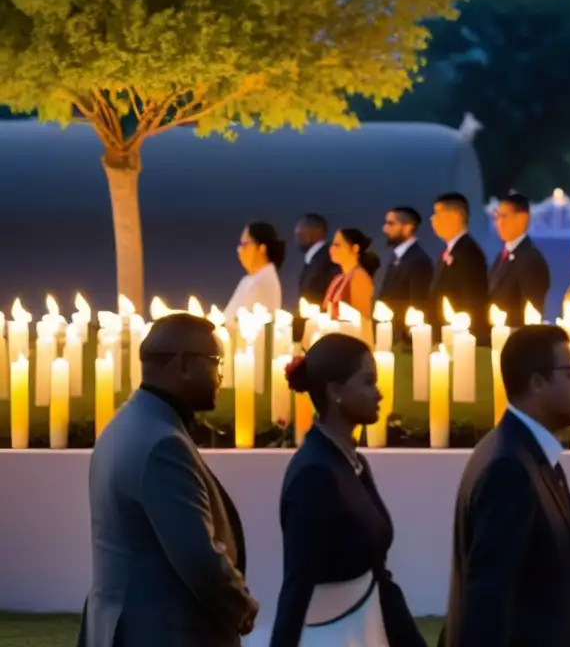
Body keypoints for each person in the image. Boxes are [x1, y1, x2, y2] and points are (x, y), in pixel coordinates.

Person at [439, 325, 570, 647]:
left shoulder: (527, 455)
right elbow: (488, 596)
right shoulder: (508, 468)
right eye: (569, 374)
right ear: (537, 382)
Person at [78, 313, 258, 647]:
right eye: (216, 362)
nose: (221, 375)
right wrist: (240, 604)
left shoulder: (125, 424)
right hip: (164, 630)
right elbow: (196, 555)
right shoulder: (163, 443)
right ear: (185, 365)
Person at [269, 334, 424, 647]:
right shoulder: (314, 473)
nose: (379, 394)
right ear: (335, 391)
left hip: (365, 629)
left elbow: (379, 573)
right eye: (368, 382)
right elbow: (297, 585)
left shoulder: (353, 462)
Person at [429, 192, 489, 341]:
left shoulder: (469, 253)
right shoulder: (448, 251)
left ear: (455, 216)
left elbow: (472, 301)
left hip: (459, 339)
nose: (432, 219)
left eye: (437, 213)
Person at [489, 193, 551, 325]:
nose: (499, 223)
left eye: (504, 216)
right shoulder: (501, 256)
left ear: (522, 219)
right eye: (497, 217)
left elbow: (531, 311)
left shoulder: (531, 260)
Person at [378, 206, 434, 341]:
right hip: (392, 335)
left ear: (408, 227)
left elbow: (418, 304)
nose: (385, 229)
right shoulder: (397, 257)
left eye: (391, 224)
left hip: (406, 339)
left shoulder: (418, 260)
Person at [224, 221, 285, 321]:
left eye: (244, 244)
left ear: (262, 248)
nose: (239, 250)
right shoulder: (250, 279)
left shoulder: (263, 281)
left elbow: (236, 321)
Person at [323, 228, 380, 321]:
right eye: (332, 245)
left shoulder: (359, 277)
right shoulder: (338, 278)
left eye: (337, 245)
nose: (331, 249)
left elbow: (361, 316)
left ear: (355, 248)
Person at [295, 213, 339, 309]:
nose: (297, 231)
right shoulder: (314, 259)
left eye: (303, 226)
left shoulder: (328, 260)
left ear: (318, 231)